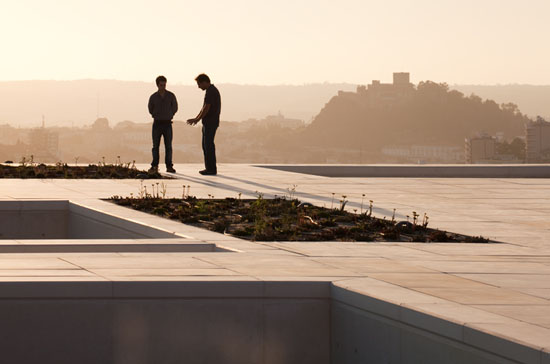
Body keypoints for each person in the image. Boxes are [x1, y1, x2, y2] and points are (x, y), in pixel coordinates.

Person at [187, 74, 221, 175]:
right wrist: (197, 118)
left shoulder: (211, 91)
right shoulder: (211, 90)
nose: (199, 86)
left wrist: (197, 119)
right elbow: (204, 108)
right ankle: (209, 168)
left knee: (208, 145)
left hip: (210, 122)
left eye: (199, 84)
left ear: (204, 82)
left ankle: (211, 169)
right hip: (209, 122)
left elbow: (206, 107)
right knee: (206, 145)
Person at [148, 75, 178, 173]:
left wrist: (170, 114)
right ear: (157, 85)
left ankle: (169, 166)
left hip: (167, 123)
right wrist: (156, 114)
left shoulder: (170, 96)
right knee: (155, 146)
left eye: (164, 85)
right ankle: (154, 165)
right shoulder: (153, 97)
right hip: (157, 123)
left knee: (168, 146)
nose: (163, 87)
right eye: (161, 85)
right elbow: (150, 109)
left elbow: (175, 107)